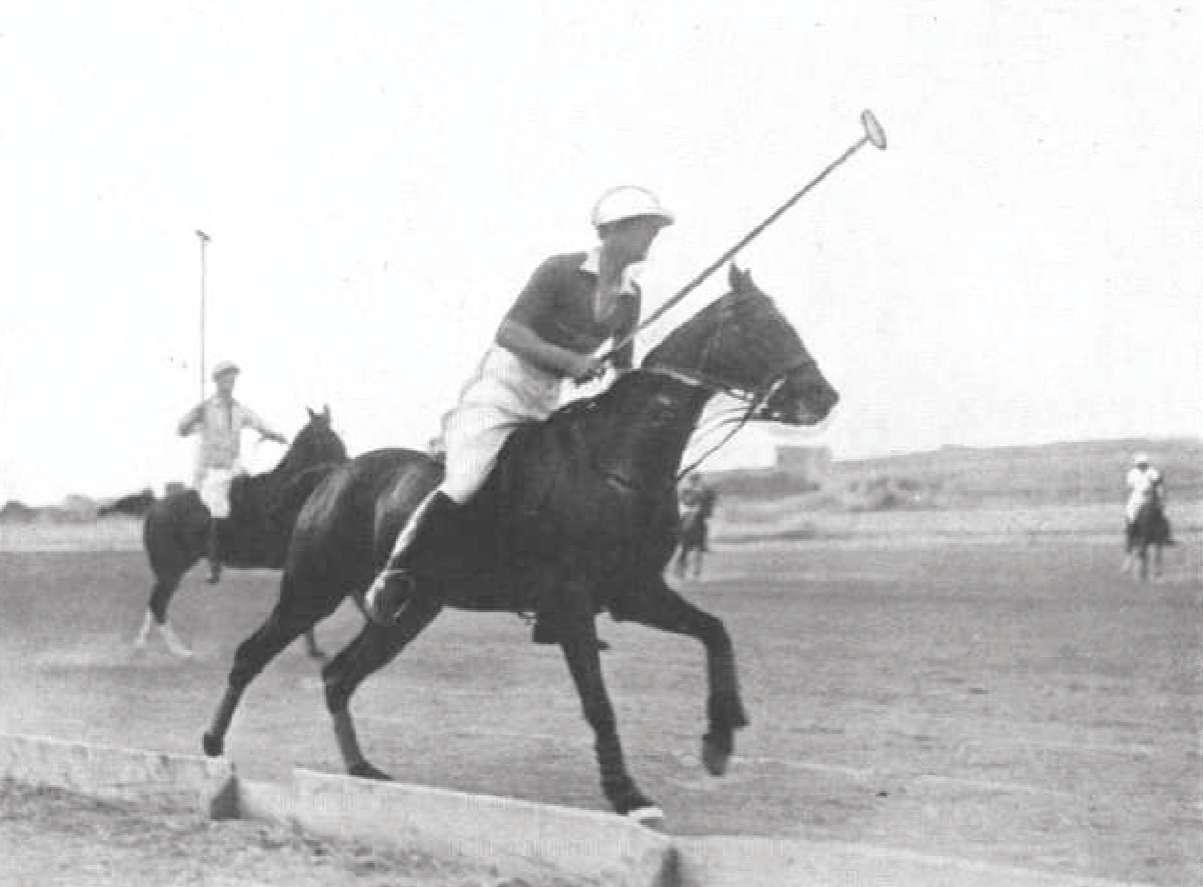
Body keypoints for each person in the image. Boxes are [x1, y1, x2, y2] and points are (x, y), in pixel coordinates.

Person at [366, 186, 675, 639]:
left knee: (561, 494)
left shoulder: (631, 297)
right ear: (614, 230)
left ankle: (551, 605)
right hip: (499, 392)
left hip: (546, 405)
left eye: (655, 230)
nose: (652, 238)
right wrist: (572, 362)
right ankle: (396, 572)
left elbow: (622, 369)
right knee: (467, 480)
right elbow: (509, 333)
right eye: (647, 228)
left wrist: (635, 387)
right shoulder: (560, 271)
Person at [178, 361, 287, 583]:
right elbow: (181, 429)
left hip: (234, 467)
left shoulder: (239, 409)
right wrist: (194, 420)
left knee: (251, 497)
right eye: (226, 379)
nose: (230, 383)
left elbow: (258, 423)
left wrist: (276, 435)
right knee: (218, 509)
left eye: (233, 379)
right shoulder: (206, 408)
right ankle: (214, 561)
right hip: (213, 470)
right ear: (217, 381)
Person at [1121, 451, 1172, 572]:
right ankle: (1131, 531)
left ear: (1147, 463)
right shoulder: (1132, 473)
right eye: (1140, 464)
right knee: (1130, 513)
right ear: (1136, 464)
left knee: (1165, 514)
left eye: (1143, 464)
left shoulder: (1153, 472)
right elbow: (1130, 486)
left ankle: (1166, 536)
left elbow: (1159, 485)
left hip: (1151, 497)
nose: (1142, 466)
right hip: (1137, 498)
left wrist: (1160, 497)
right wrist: (1141, 489)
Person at [674, 471, 717, 579]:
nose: (696, 482)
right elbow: (685, 501)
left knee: (704, 527)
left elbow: (711, 498)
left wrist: (703, 495)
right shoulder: (686, 490)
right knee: (684, 544)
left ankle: (697, 568)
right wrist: (694, 501)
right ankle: (681, 568)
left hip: (698, 514)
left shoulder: (703, 490)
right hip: (688, 512)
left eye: (697, 480)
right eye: (695, 480)